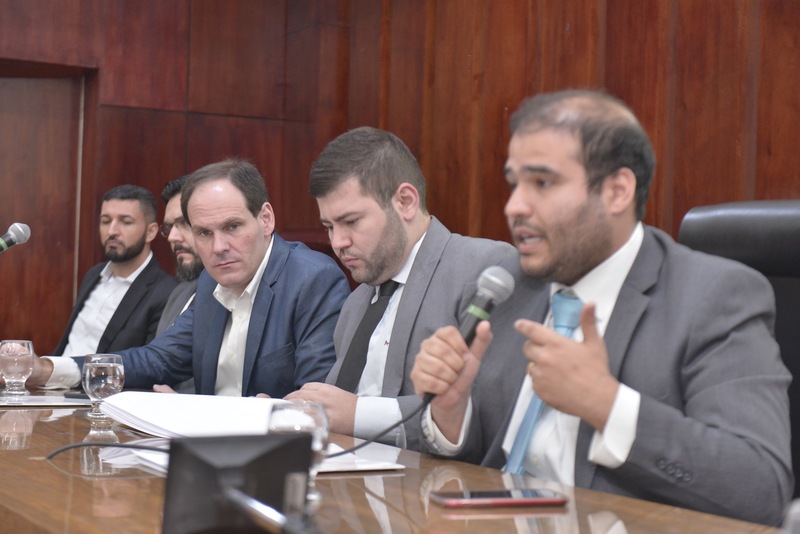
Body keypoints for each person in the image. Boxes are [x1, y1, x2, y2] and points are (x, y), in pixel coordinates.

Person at [410, 90, 793, 525]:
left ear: (616, 191)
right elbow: (489, 455)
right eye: (514, 183)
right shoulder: (508, 283)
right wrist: (452, 411)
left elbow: (759, 488)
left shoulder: (714, 297)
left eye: (543, 183)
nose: (514, 206)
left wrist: (606, 405)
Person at [30, 158, 351, 397]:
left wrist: (194, 413)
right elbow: (159, 358)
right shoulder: (211, 281)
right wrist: (48, 369)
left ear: (265, 219)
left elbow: (316, 403)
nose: (219, 247)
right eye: (204, 233)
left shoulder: (312, 279)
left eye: (232, 227)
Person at [285, 127, 516, 450]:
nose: (338, 242)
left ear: (405, 202)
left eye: (351, 221)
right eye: (329, 227)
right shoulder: (355, 303)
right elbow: (333, 413)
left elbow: (490, 415)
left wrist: (358, 414)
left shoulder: (484, 269)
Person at [52, 185, 177, 356]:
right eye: (105, 221)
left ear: (151, 232)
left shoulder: (166, 293)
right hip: (56, 371)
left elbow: (149, 364)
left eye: (126, 222)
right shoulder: (94, 274)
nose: (112, 231)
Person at [155, 175, 204, 336]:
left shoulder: (236, 293)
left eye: (184, 223)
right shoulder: (179, 292)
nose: (172, 237)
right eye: (169, 227)